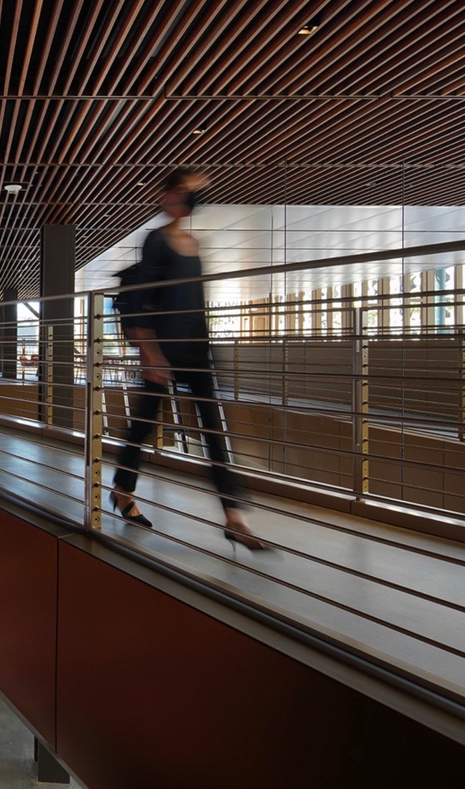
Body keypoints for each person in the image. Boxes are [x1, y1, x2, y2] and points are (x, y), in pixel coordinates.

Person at [112, 167, 268, 551]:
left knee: (213, 431)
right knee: (144, 426)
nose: (185, 198)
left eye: (188, 193)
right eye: (178, 192)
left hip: (197, 349)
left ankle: (234, 517)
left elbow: (194, 302)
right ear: (165, 197)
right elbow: (147, 297)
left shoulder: (194, 244)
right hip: (163, 351)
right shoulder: (156, 240)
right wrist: (149, 352)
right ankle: (121, 489)